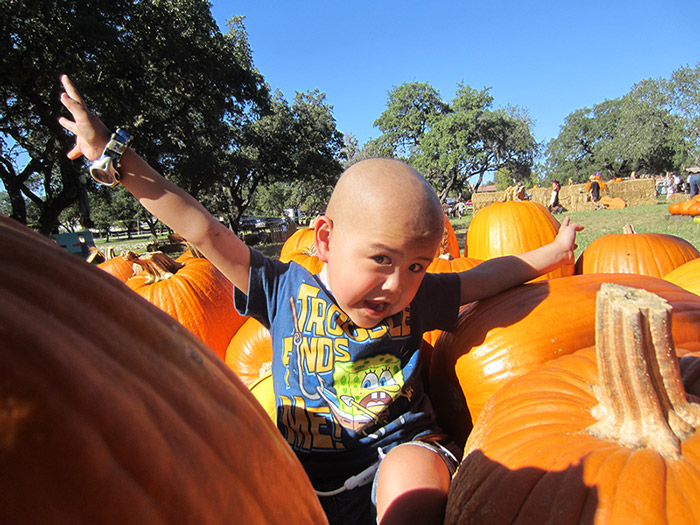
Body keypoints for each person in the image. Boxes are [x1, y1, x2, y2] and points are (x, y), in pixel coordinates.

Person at [58, 74, 583, 525]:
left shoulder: (414, 301)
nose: (398, 284)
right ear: (326, 240)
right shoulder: (283, 288)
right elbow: (204, 231)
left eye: (417, 265)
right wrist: (115, 158)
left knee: (413, 477)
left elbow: (486, 276)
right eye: (381, 260)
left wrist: (553, 254)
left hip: (394, 456)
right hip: (300, 481)